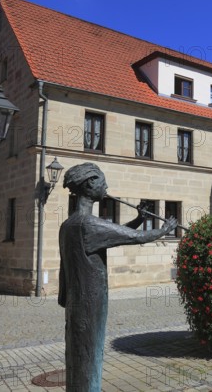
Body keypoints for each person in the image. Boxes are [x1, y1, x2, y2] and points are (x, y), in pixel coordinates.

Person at [58, 163, 177, 391]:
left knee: (79, 354)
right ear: (90, 184)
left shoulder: (69, 225)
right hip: (91, 303)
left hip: (75, 302)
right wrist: (164, 229)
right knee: (90, 354)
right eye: (103, 181)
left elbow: (112, 234)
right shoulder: (88, 225)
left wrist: (138, 219)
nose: (107, 187)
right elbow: (136, 238)